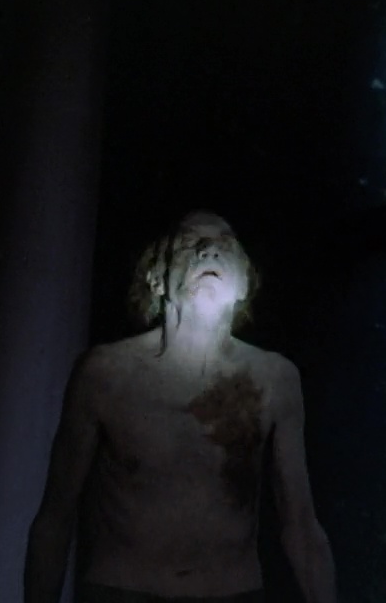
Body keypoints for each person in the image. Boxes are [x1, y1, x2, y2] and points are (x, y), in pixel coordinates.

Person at [25, 211, 337, 603]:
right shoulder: (106, 374)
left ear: (244, 283)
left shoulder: (274, 380)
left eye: (225, 246)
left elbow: (302, 527)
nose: (209, 252)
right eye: (191, 243)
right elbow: (55, 517)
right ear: (157, 276)